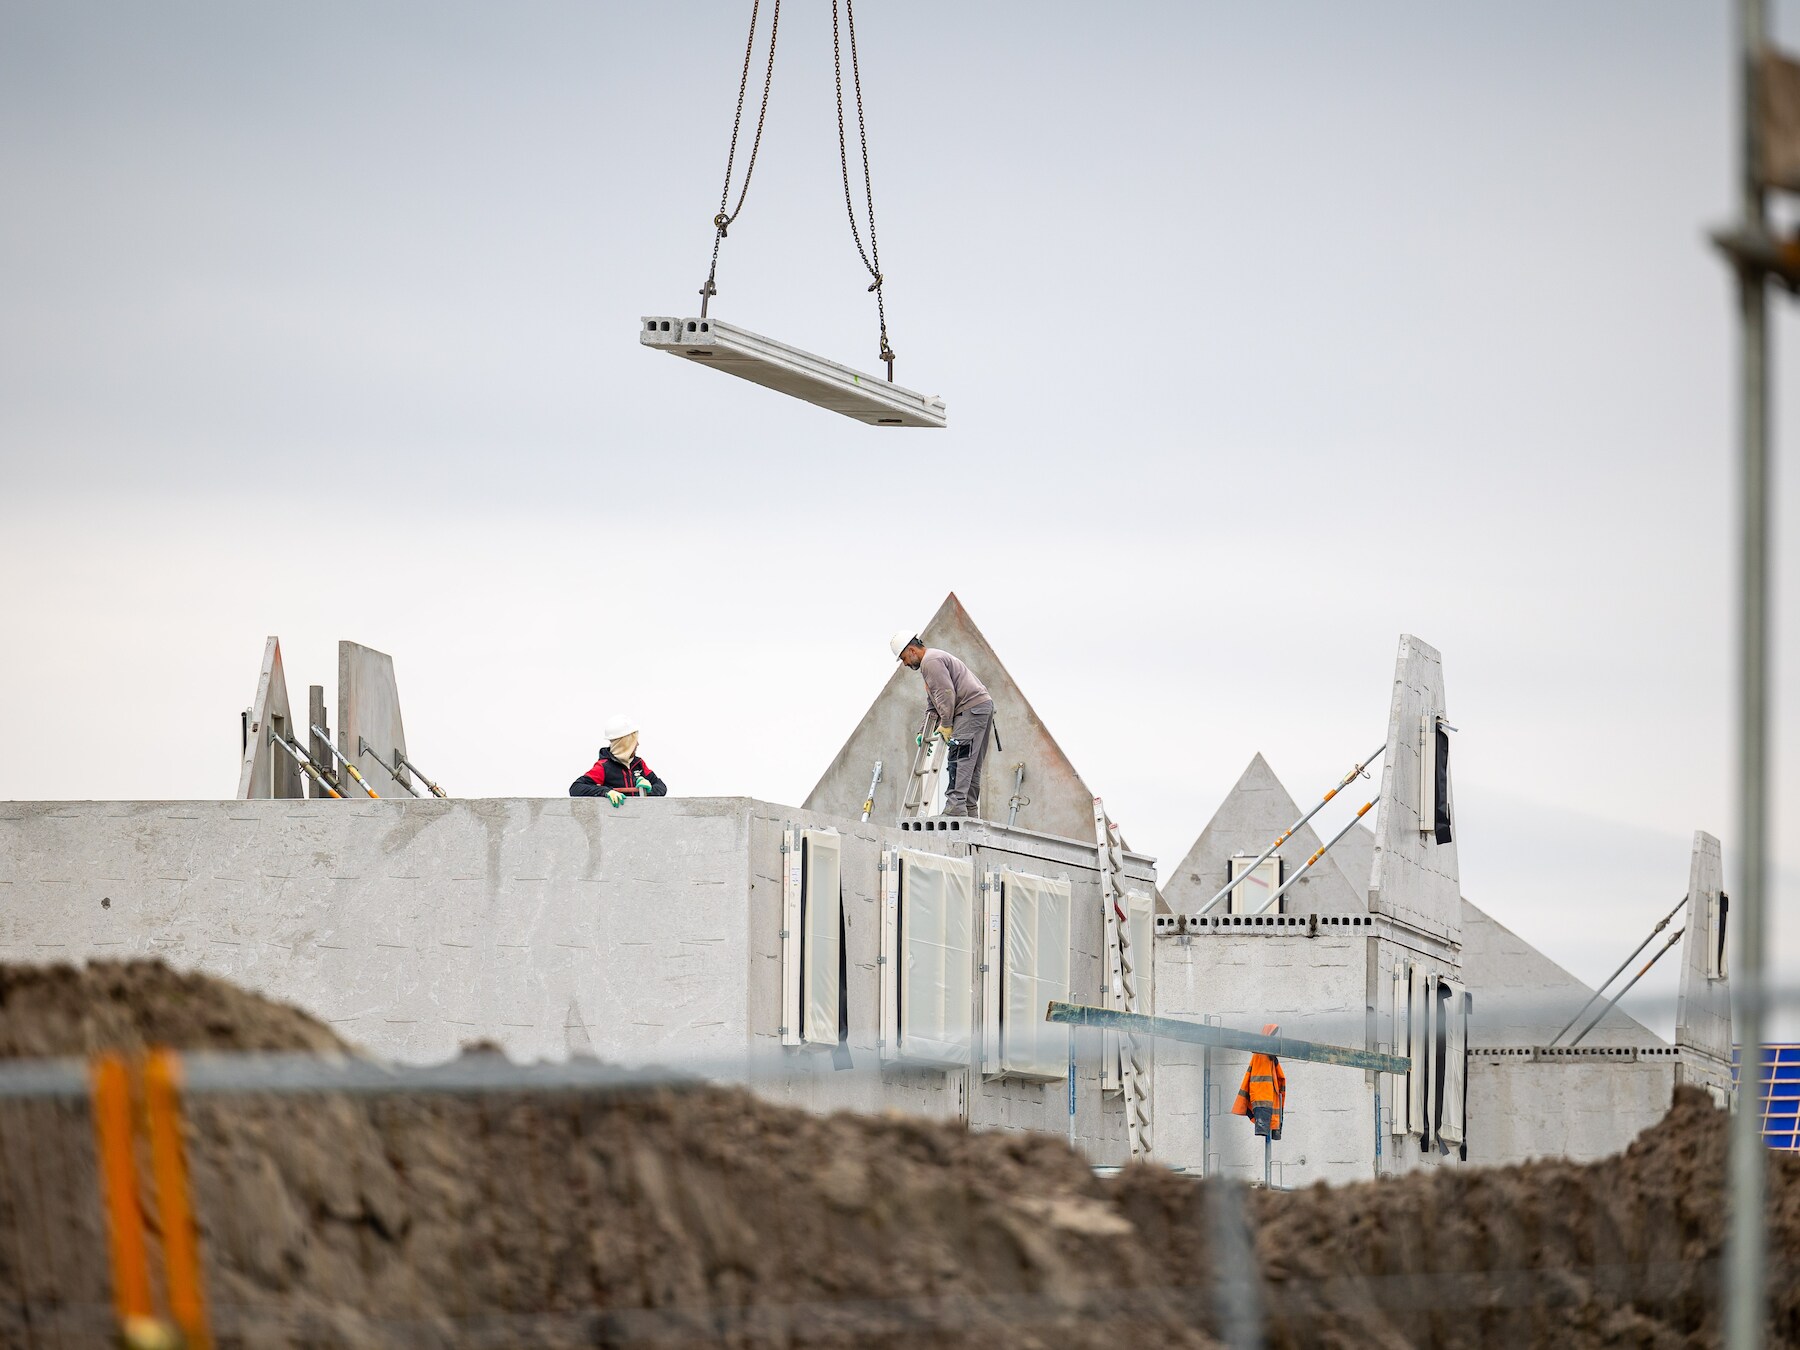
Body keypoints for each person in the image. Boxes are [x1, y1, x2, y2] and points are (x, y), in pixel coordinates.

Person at [888, 632, 996, 818]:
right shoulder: (932, 661)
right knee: (970, 763)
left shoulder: (931, 662)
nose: (905, 664)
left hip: (970, 710)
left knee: (959, 758)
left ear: (912, 650)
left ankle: (955, 809)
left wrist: (946, 724)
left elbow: (946, 694)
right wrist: (924, 731)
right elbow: (933, 704)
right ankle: (969, 811)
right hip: (979, 708)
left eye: (904, 658)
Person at [569, 714, 667, 806]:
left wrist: (650, 790)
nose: (637, 744)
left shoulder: (639, 764)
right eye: (634, 741)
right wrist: (606, 792)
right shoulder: (604, 766)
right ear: (626, 743)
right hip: (615, 820)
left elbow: (662, 787)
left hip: (640, 819)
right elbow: (576, 788)